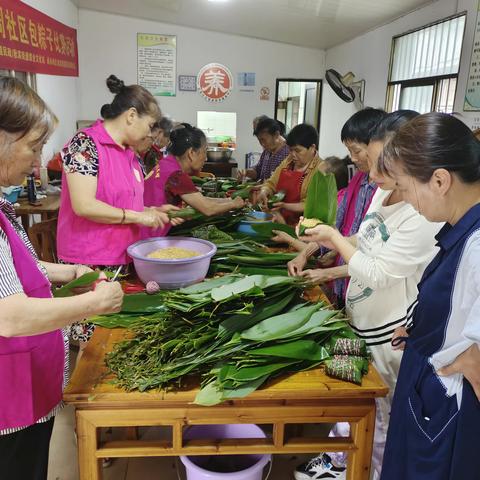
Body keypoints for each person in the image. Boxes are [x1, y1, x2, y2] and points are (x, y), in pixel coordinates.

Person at [295, 110, 442, 480]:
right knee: (353, 402)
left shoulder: (423, 213)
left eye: (378, 164)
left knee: (380, 418)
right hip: (359, 319)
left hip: (387, 333)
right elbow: (367, 240)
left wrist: (332, 239)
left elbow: (378, 272)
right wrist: (328, 255)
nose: (370, 175)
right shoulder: (384, 192)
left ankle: (368, 472)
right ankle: (336, 461)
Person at [0, 76, 123, 480]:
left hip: (26, 380)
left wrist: (65, 271)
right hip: (9, 393)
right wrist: (93, 304)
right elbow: (9, 315)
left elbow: (14, 269)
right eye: (33, 147)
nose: (38, 163)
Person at [374, 113, 480, 480]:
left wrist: (465, 362)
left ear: (439, 180)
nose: (404, 198)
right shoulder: (458, 228)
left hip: (446, 412)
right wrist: (422, 334)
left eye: (404, 186)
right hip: (425, 395)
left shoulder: (478, 244)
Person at [57, 74, 178, 342]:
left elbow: (123, 201)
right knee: (93, 342)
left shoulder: (129, 153)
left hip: (123, 259)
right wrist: (137, 216)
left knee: (115, 338)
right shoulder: (85, 144)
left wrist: (152, 210)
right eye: (150, 124)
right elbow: (84, 205)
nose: (151, 133)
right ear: (132, 115)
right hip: (89, 263)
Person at [287, 108, 386, 305]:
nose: (353, 158)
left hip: (366, 292)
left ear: (378, 145)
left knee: (352, 334)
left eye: (356, 151)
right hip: (342, 286)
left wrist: (327, 273)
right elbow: (334, 230)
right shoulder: (358, 180)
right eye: (349, 151)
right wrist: (303, 255)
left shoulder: (387, 191)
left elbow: (377, 261)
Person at [142, 123, 245, 237]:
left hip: (144, 229)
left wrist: (229, 200)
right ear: (191, 153)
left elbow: (200, 200)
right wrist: (234, 204)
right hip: (149, 237)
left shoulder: (167, 164)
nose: (206, 158)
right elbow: (207, 208)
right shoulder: (176, 175)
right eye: (204, 151)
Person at [256, 123, 326, 225]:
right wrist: (264, 191)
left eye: (297, 150)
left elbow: (311, 204)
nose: (293, 155)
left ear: (312, 148)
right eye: (291, 150)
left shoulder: (320, 169)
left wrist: (284, 205)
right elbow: (271, 183)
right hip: (278, 219)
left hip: (301, 228)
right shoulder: (288, 162)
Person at [238, 117, 289, 181]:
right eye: (260, 140)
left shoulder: (288, 153)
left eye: (264, 140)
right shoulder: (267, 151)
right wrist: (246, 172)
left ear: (276, 134)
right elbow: (258, 172)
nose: (262, 144)